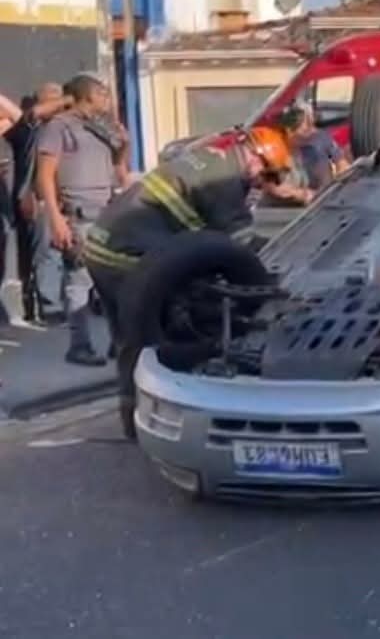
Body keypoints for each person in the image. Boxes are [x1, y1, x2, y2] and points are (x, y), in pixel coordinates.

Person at [83, 125, 293, 438]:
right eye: (265, 176)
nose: (262, 186)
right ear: (255, 159)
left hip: (100, 248)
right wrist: (281, 267)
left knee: (128, 338)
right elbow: (241, 247)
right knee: (160, 336)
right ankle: (168, 418)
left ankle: (131, 421)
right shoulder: (226, 183)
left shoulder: (211, 156)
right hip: (127, 257)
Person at [35, 74, 128, 365]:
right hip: (79, 214)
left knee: (115, 281)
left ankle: (120, 342)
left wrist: (123, 144)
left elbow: (119, 169)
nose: (106, 99)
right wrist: (56, 218)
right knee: (80, 281)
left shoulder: (103, 128)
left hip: (108, 212)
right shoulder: (58, 127)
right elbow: (45, 175)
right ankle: (80, 346)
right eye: (101, 94)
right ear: (85, 96)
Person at [3, 84, 70, 322]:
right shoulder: (29, 127)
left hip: (63, 198)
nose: (58, 103)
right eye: (51, 98)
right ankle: (46, 307)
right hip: (35, 199)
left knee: (59, 254)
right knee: (44, 255)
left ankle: (53, 304)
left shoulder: (63, 126)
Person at [281, 101, 349, 192]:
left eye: (311, 125)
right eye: (306, 129)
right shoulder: (280, 147)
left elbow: (342, 163)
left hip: (324, 192)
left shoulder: (321, 138)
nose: (312, 131)